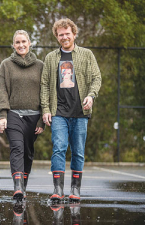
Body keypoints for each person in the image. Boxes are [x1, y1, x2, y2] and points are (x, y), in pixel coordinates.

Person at [40, 18, 102, 202]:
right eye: (61, 34)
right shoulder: (51, 58)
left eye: (67, 33)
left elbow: (96, 78)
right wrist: (45, 108)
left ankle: (75, 189)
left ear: (74, 34)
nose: (64, 37)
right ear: (57, 37)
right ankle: (58, 190)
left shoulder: (87, 54)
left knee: (78, 151)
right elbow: (44, 84)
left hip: (80, 112)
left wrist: (91, 95)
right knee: (59, 148)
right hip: (58, 112)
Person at [0, 30, 45, 201]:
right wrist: (3, 115)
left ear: (29, 43)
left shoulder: (40, 65)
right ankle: (17, 187)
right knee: (17, 148)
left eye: (24, 41)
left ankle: (23, 185)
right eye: (17, 42)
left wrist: (42, 119)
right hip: (13, 114)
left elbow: (45, 93)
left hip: (34, 117)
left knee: (28, 152)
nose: (21, 45)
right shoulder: (6, 65)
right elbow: (2, 90)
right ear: (13, 45)